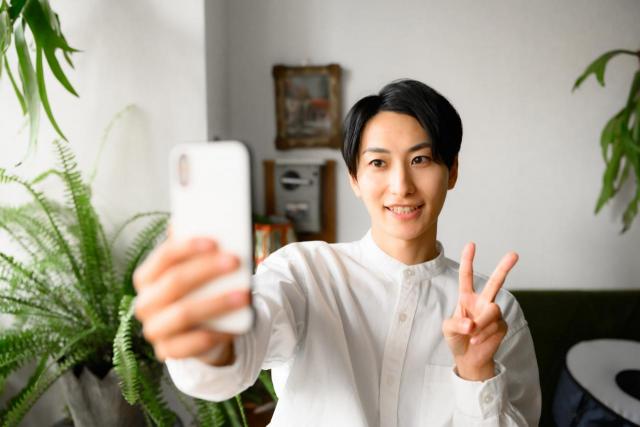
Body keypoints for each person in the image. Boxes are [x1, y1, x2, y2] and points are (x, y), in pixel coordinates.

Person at [133, 79, 541, 426]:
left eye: (420, 159)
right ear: (354, 179)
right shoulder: (304, 273)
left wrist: (475, 372)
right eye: (378, 163)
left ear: (452, 171)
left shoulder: (495, 313)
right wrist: (207, 340)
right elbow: (234, 360)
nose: (401, 186)